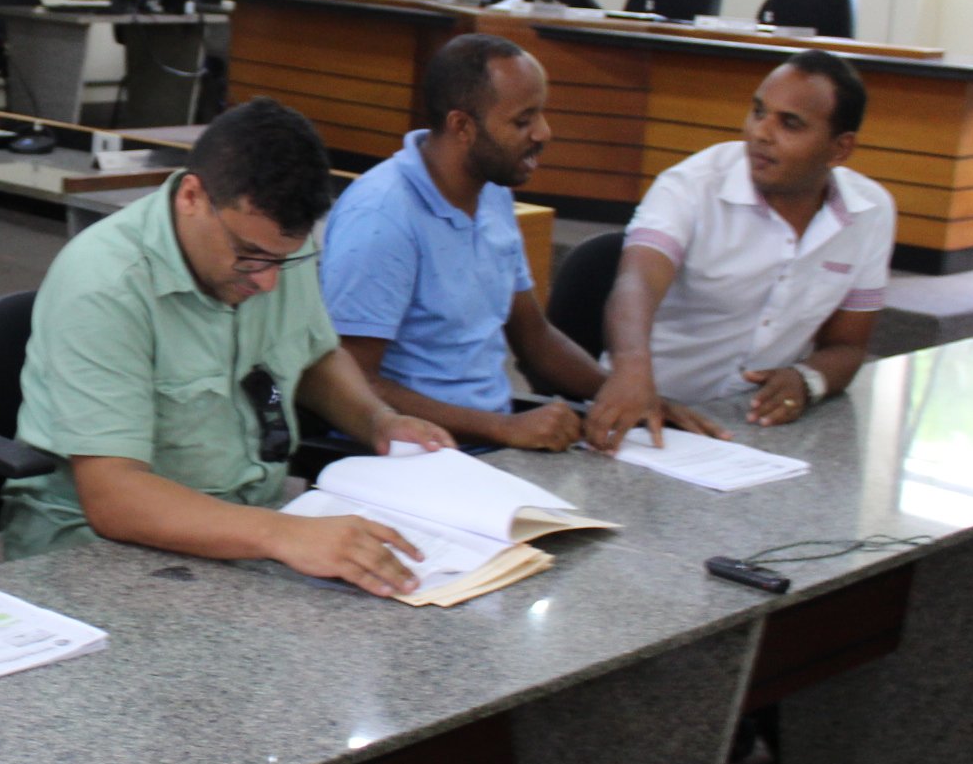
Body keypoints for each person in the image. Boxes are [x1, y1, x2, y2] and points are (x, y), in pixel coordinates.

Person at [0, 96, 452, 764]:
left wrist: (378, 423)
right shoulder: (102, 281)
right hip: (97, 564)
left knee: (379, 668)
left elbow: (316, 350)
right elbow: (117, 499)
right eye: (247, 258)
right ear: (192, 196)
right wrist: (286, 540)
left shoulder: (272, 249)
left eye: (280, 263)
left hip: (244, 534)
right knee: (227, 711)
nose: (262, 282)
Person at [320, 33, 726, 451]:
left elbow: (535, 339)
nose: (544, 132)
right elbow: (353, 380)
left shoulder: (491, 192)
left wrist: (631, 396)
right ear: (462, 126)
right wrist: (501, 428)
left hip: (489, 447)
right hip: (407, 457)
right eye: (522, 120)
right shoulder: (381, 218)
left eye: (541, 115)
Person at [585, 49, 893, 453]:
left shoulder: (869, 212)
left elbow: (848, 345)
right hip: (646, 423)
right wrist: (631, 368)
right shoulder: (691, 186)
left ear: (840, 149)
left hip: (753, 433)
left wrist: (807, 379)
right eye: (758, 112)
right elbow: (635, 282)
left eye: (790, 124)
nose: (761, 133)